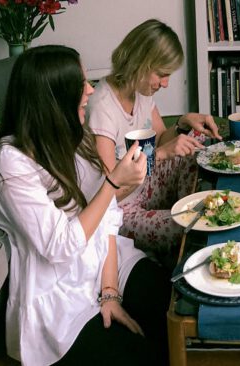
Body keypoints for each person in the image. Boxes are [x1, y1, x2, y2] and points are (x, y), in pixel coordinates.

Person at [0, 45, 170, 365]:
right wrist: (114, 184)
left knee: (171, 309)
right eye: (80, 83)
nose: (90, 90)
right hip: (61, 292)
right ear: (53, 97)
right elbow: (59, 246)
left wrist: (110, 292)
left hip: (108, 261)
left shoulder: (74, 137)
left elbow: (108, 219)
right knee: (143, 358)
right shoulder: (9, 163)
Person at [87, 19, 222, 265]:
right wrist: (158, 156)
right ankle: (184, 230)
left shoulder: (141, 92)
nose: (165, 83)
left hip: (147, 186)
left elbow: (160, 138)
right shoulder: (102, 107)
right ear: (140, 63)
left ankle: (187, 207)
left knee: (196, 140)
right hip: (121, 209)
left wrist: (183, 124)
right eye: (161, 74)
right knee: (188, 224)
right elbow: (107, 194)